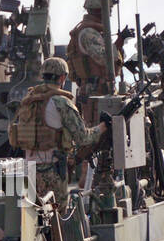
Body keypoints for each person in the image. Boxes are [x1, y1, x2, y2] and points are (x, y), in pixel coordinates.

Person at [7, 57, 109, 211]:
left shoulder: (29, 100)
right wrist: (103, 127)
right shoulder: (61, 102)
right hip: (52, 172)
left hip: (29, 170)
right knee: (57, 216)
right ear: (63, 78)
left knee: (34, 217)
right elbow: (83, 138)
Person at [66, 0, 128, 122]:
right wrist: (119, 41)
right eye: (108, 8)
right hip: (94, 91)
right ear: (98, 10)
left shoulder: (95, 31)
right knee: (98, 132)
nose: (110, 13)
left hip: (101, 90)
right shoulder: (88, 32)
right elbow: (104, 59)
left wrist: (120, 43)